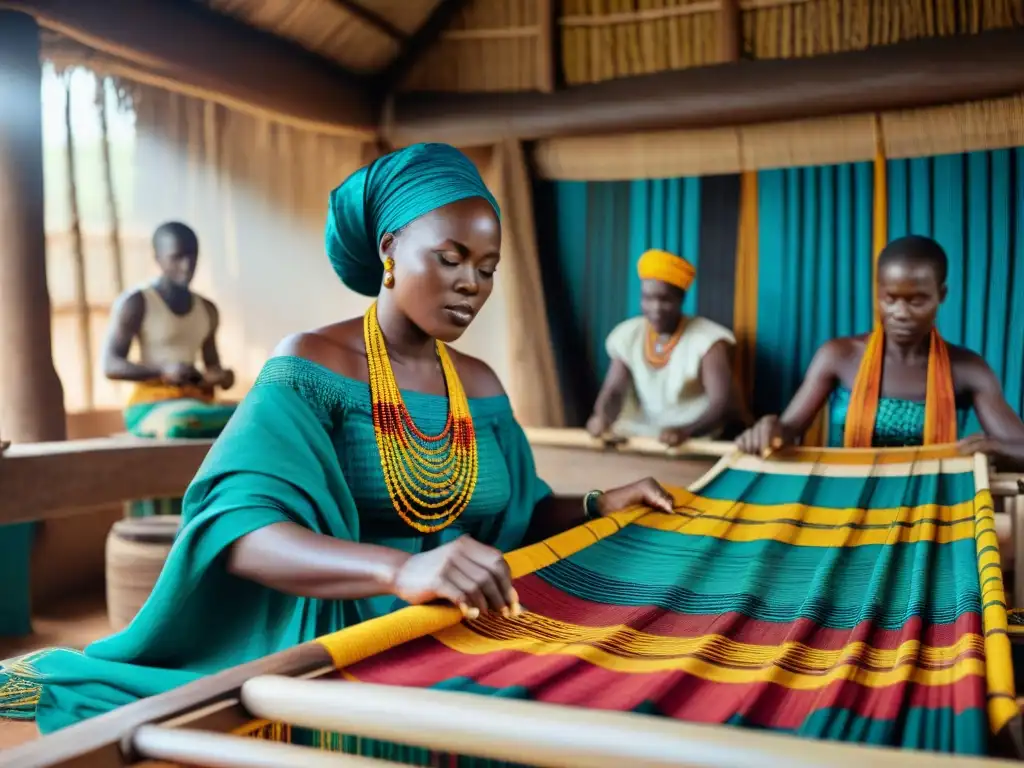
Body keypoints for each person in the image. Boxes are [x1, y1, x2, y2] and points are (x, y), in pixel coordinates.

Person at [0, 143, 674, 734]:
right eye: (450, 257)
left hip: (453, 633)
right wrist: (399, 570)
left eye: (489, 266)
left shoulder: (482, 386)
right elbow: (238, 533)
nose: (473, 281)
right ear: (388, 250)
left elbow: (521, 514)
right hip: (337, 651)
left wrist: (597, 504)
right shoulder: (313, 368)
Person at [736, 235, 1024, 467]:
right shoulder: (839, 355)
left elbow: (1019, 447)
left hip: (928, 508)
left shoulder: (967, 369)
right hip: (848, 500)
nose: (900, 313)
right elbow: (789, 429)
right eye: (890, 298)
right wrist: (771, 429)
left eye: (917, 300)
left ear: (942, 295)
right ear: (877, 293)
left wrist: (995, 447)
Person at [103, 222, 237, 515]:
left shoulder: (207, 309)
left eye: (193, 256)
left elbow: (212, 367)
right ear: (158, 258)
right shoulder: (137, 302)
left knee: (251, 414)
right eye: (177, 257)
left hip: (199, 402)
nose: (187, 265)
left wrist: (222, 376)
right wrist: (163, 371)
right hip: (151, 406)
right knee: (184, 421)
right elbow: (110, 364)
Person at [586, 249, 742, 447]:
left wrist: (686, 431)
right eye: (647, 298)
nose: (655, 308)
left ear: (681, 299)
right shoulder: (628, 334)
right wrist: (602, 417)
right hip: (641, 438)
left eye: (665, 299)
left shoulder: (707, 340)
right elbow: (614, 390)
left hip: (694, 441)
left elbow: (722, 403)